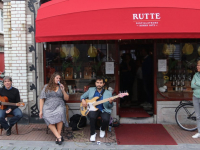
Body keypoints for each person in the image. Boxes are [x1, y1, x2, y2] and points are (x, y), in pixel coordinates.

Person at [39, 72, 69, 145]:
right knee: (46, 115)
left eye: (59, 78)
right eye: (57, 78)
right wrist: (40, 110)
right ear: (53, 78)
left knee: (61, 113)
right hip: (48, 105)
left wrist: (63, 90)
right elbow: (42, 99)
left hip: (59, 104)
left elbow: (67, 98)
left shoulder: (62, 87)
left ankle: (58, 137)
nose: (58, 79)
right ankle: (59, 136)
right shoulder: (47, 86)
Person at [81, 76, 113, 142]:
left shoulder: (108, 93)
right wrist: (83, 100)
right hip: (92, 109)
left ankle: (102, 129)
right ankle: (93, 133)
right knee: (92, 117)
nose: (99, 84)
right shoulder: (91, 90)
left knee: (106, 119)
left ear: (103, 84)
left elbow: (110, 106)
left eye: (101, 83)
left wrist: (110, 102)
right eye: (97, 82)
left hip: (104, 109)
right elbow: (82, 96)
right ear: (95, 83)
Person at [191, 59, 200, 138]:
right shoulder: (195, 75)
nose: (198, 67)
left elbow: (195, 84)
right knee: (198, 116)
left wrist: (197, 83)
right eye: (197, 65)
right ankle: (199, 132)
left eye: (199, 65)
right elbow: (192, 85)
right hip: (196, 97)